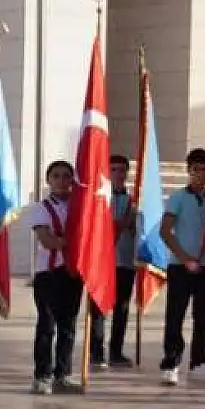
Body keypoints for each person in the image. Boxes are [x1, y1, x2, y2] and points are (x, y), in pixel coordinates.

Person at [159, 148, 205, 387]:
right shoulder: (178, 198)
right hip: (181, 266)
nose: (200, 174)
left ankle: (199, 363)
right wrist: (185, 258)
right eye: (196, 170)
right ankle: (171, 363)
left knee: (204, 317)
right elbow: (165, 231)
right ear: (188, 170)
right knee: (175, 315)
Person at [26, 161, 81, 394]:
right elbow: (47, 241)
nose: (61, 180)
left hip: (72, 273)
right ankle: (42, 376)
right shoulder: (41, 208)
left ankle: (63, 375)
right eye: (56, 176)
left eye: (66, 176)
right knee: (47, 325)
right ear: (48, 180)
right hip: (48, 274)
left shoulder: (79, 207)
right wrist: (74, 242)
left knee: (68, 325)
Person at [90, 154, 137, 370]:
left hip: (125, 261)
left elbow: (141, 231)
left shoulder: (134, 201)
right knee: (98, 309)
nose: (118, 173)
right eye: (114, 169)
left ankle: (116, 352)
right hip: (101, 262)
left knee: (122, 309)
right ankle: (96, 352)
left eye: (122, 170)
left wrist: (132, 223)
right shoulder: (99, 198)